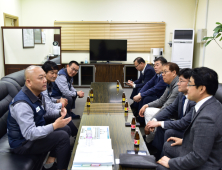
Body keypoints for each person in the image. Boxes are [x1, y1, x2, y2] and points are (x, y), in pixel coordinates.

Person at [7, 66, 72, 170]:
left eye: (44, 77)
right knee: (62, 137)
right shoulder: (22, 104)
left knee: (66, 129)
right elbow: (29, 134)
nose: (45, 80)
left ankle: (50, 162)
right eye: (40, 78)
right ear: (29, 82)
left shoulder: (37, 94)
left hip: (33, 134)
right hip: (22, 144)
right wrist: (54, 125)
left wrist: (59, 112)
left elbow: (45, 111)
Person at [157, 67, 222, 170]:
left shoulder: (206, 118)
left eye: (190, 84)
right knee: (168, 145)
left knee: (161, 166)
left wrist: (171, 163)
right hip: (201, 152)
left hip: (206, 164)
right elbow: (206, 140)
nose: (187, 87)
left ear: (201, 89)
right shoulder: (213, 103)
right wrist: (185, 141)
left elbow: (198, 157)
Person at [146, 68, 196, 160]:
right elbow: (170, 109)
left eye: (181, 81)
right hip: (182, 125)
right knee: (162, 123)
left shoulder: (195, 101)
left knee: (169, 130)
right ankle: (158, 152)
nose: (178, 83)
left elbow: (184, 123)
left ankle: (163, 158)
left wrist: (158, 123)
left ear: (191, 82)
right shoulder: (181, 94)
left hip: (189, 131)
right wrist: (154, 120)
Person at [139, 62, 179, 143]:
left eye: (165, 72)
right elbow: (161, 101)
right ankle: (150, 138)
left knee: (154, 118)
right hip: (168, 111)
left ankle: (149, 140)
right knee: (148, 109)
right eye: (162, 72)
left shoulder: (177, 87)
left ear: (174, 73)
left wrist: (152, 121)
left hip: (174, 117)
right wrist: (146, 105)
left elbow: (167, 107)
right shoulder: (170, 84)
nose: (162, 75)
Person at [42, 61, 78, 137]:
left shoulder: (49, 83)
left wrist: (57, 101)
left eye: (56, 73)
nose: (55, 76)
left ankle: (76, 134)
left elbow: (48, 99)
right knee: (64, 112)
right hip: (42, 116)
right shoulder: (42, 86)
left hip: (48, 106)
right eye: (52, 73)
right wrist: (60, 106)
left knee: (65, 110)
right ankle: (76, 135)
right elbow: (47, 108)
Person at [133, 57, 168, 123]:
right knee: (142, 95)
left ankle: (141, 120)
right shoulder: (157, 74)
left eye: (157, 65)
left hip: (161, 98)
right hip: (156, 95)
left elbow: (155, 89)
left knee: (146, 98)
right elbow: (148, 84)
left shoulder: (164, 76)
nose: (155, 67)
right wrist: (140, 94)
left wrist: (141, 95)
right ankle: (140, 117)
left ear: (164, 66)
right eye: (154, 65)